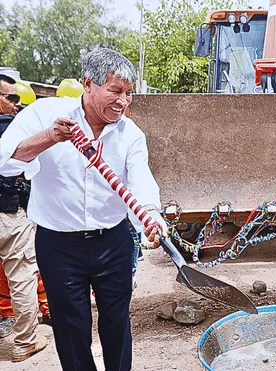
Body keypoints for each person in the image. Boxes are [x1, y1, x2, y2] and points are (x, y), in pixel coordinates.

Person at [0, 48, 167, 370]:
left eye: (129, 93)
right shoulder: (44, 114)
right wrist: (49, 137)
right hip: (58, 243)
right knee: (71, 326)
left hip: (114, 241)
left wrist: (151, 214)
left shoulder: (130, 133)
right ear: (87, 83)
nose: (123, 101)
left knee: (117, 321)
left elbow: (140, 179)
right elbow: (5, 163)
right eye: (115, 91)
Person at [0, 73, 48, 362]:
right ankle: (25, 342)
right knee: (22, 276)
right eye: (11, 98)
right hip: (9, 213)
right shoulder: (12, 130)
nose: (17, 105)